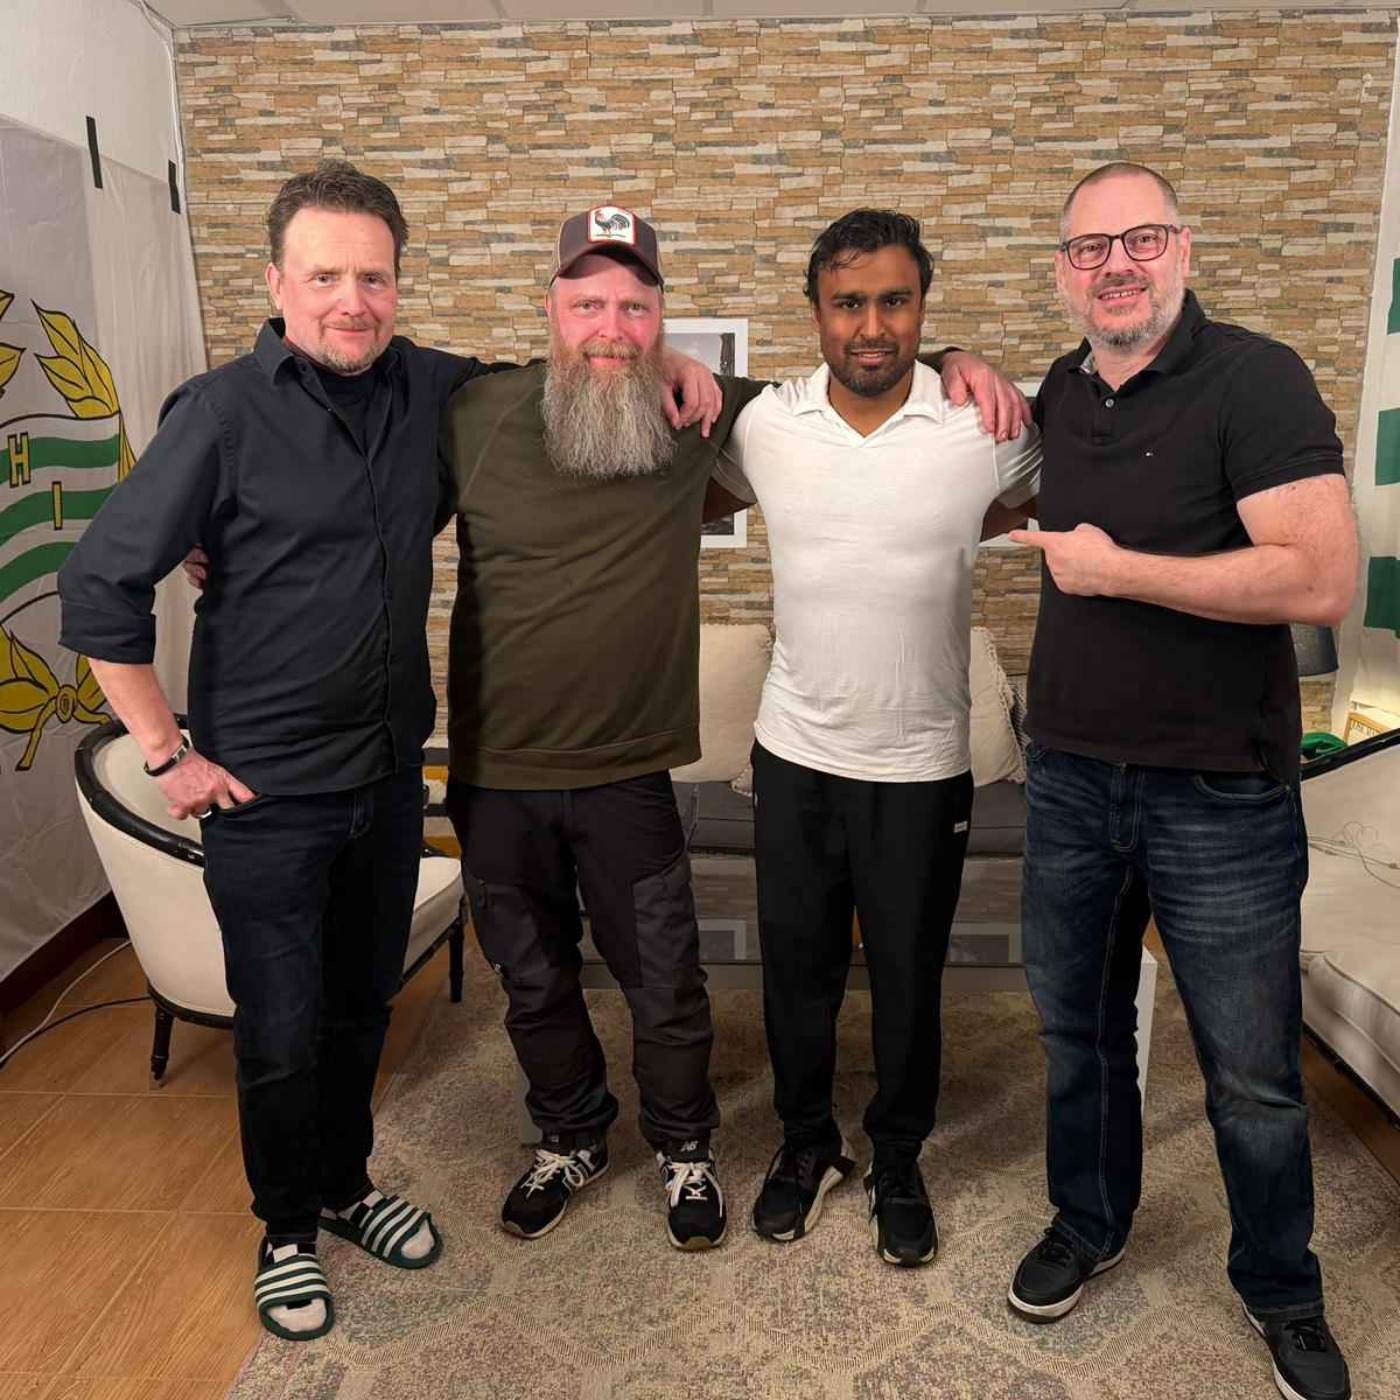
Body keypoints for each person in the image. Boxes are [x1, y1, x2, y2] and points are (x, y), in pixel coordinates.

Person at [57, 163, 717, 1342]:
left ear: (398, 284)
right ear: (276, 282)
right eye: (324, 277)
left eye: (372, 277)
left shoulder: (432, 389)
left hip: (385, 776)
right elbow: (98, 585)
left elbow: (574, 362)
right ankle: (285, 1230)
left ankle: (346, 1185)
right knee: (281, 1025)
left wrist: (668, 359)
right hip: (262, 790)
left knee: (362, 1003)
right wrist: (165, 754)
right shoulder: (219, 413)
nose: (350, 301)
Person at [438, 204, 1023, 1253]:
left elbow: (1007, 466)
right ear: (551, 307)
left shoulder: (936, 420)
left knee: (831, 984)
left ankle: (813, 1153)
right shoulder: (504, 410)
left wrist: (957, 364)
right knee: (634, 981)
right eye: (587, 303)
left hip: (847, 764)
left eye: (633, 307)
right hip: (665, 762)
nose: (609, 326)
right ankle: (713, 1141)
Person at [1005, 162, 1357, 1400]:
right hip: (1068, 778)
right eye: (1087, 248)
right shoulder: (1057, 392)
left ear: (1182, 250)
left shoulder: (1254, 379)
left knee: (1250, 1071)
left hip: (1218, 794)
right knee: (1077, 1036)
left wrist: (1118, 570)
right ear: (1061, 272)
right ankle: (1088, 1221)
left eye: (1139, 239)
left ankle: (1280, 1284)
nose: (1114, 265)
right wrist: (954, 360)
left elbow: (1320, 577)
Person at [707, 209, 1039, 1266]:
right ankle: (807, 1143)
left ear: (922, 307)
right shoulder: (767, 424)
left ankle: (897, 1153)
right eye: (847, 302)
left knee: (906, 976)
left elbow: (1050, 492)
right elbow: (682, 490)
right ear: (814, 312)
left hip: (922, 763)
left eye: (895, 300)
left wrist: (964, 386)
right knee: (796, 972)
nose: (870, 325)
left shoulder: (984, 422)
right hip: (794, 752)